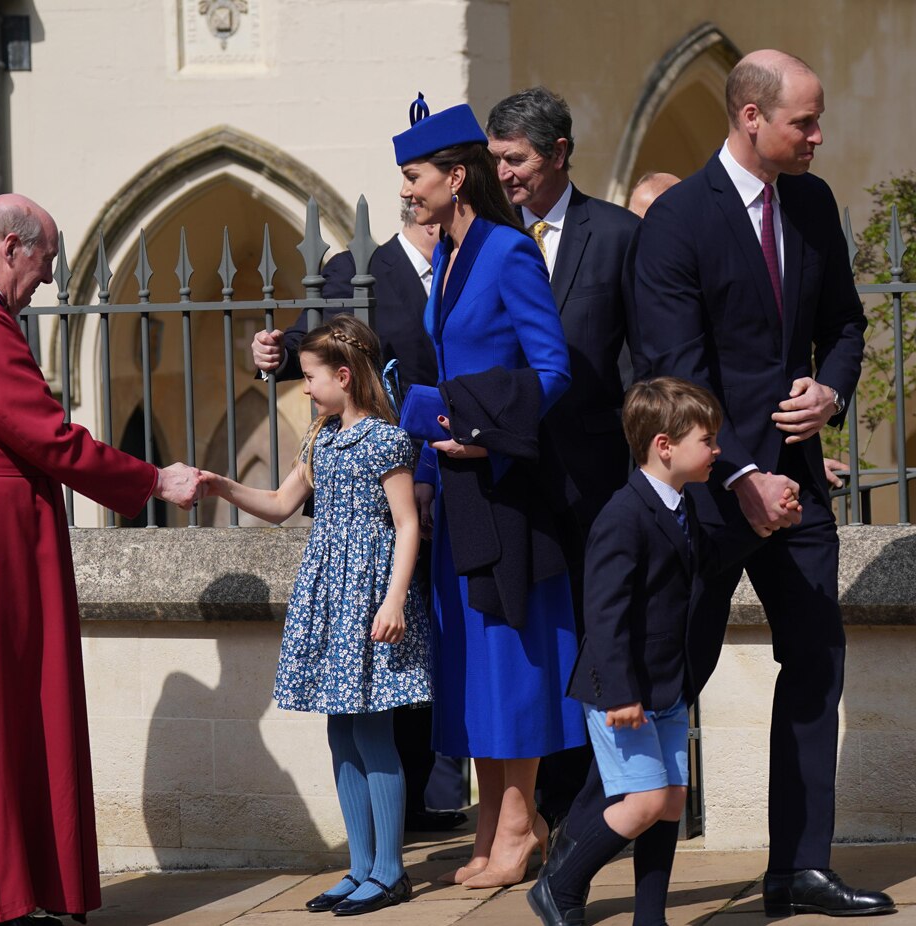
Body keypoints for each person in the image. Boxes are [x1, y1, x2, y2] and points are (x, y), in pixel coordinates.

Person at [631, 50, 893, 916]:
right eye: (803, 123)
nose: (818, 136)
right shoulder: (677, 220)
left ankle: (799, 870)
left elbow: (846, 325)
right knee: (676, 677)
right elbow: (678, 364)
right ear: (751, 117)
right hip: (709, 497)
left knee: (817, 663)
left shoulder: (813, 204)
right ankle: (616, 880)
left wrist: (832, 388)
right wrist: (739, 470)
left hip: (801, 492)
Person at [0, 194, 202, 925]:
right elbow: (45, 436)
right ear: (11, 246)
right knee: (2, 703)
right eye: (44, 262)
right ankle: (3, 895)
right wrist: (151, 479)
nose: (44, 280)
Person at [395, 93, 584, 889]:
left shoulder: (508, 253)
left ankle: (521, 822)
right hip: (459, 488)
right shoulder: (444, 255)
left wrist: (480, 432)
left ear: (457, 175)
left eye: (415, 176)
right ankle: (492, 822)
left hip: (506, 486)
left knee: (512, 660)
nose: (407, 190)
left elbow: (552, 371)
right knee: (474, 662)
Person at [529, 378, 797, 926]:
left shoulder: (681, 507)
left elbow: (709, 558)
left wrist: (763, 525)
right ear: (664, 444)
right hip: (622, 690)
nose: (717, 451)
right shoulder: (623, 515)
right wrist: (621, 694)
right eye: (708, 439)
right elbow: (604, 614)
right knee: (645, 803)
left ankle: (650, 916)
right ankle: (560, 884)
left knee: (671, 801)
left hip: (668, 684)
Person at [202, 314, 432, 916]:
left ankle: (390, 870)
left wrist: (394, 601)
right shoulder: (320, 439)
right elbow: (280, 505)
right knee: (340, 728)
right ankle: (359, 867)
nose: (303, 387)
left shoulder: (385, 440)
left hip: (371, 594)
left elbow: (407, 524)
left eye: (309, 377)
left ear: (344, 376)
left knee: (374, 729)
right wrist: (221, 486)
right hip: (329, 596)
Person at [251, 203, 466, 834]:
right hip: (384, 473)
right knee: (387, 656)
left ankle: (436, 792)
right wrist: (274, 352)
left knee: (442, 630)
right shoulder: (358, 265)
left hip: (464, 464)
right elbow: (313, 341)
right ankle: (414, 806)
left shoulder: (469, 262)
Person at [485, 87, 640, 827]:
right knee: (531, 642)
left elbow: (641, 362)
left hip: (596, 479)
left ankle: (600, 799)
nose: (505, 174)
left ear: (558, 155)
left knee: (598, 629)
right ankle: (538, 807)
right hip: (508, 483)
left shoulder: (616, 235)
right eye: (496, 161)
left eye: (516, 160)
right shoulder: (482, 239)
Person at [251, 201, 438, 398]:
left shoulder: (461, 276)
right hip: (394, 424)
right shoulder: (356, 269)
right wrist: (275, 355)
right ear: (431, 223)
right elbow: (311, 340)